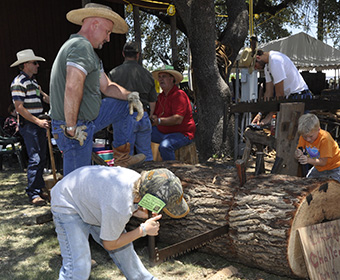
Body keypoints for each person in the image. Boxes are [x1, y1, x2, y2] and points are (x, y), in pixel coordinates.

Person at [49, 3, 145, 176]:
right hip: (75, 126)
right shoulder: (81, 47)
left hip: (86, 120)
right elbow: (72, 86)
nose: (108, 38)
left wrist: (131, 96)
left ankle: (122, 158)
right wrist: (71, 128)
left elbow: (107, 87)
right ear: (94, 24)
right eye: (107, 32)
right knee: (76, 184)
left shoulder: (89, 53)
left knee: (124, 105)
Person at [51, 165, 189, 279]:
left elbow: (125, 205)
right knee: (78, 268)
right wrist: (143, 230)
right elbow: (110, 244)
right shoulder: (118, 205)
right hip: (68, 203)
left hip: (90, 200)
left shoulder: (140, 182)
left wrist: (142, 213)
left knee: (123, 248)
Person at [10, 49, 50, 206]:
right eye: (34, 63)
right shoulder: (18, 83)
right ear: (25, 64)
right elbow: (19, 108)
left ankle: (39, 190)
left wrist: (45, 96)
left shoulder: (33, 82)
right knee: (35, 158)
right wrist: (38, 122)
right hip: (30, 125)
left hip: (39, 123)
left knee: (42, 157)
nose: (37, 65)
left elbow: (43, 98)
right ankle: (33, 194)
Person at [108, 41, 157, 161]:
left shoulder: (114, 74)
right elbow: (152, 100)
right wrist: (149, 115)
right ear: (138, 55)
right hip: (143, 115)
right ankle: (149, 179)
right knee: (146, 154)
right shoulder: (147, 74)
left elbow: (108, 98)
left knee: (124, 157)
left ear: (123, 54)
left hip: (124, 117)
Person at [251, 49, 312, 125]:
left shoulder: (275, 61)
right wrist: (260, 113)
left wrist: (269, 117)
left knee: (302, 132)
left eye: (255, 66)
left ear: (258, 58)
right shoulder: (267, 67)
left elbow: (280, 94)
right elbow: (268, 93)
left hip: (300, 97)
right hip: (291, 98)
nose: (256, 68)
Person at [150, 66, 196, 160]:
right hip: (164, 132)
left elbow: (178, 119)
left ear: (172, 79)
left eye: (164, 76)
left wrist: (158, 121)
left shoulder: (179, 95)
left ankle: (172, 171)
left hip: (182, 133)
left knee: (165, 146)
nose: (160, 79)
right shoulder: (161, 97)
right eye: (159, 77)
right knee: (141, 134)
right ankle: (147, 164)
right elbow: (156, 114)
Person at [295, 113, 340, 182]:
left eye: (311, 136)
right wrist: (298, 154)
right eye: (305, 137)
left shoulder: (325, 139)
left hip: (335, 167)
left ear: (318, 130)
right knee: (307, 183)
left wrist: (308, 160)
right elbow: (299, 149)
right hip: (319, 168)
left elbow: (323, 162)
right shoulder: (304, 136)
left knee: (334, 188)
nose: (308, 139)